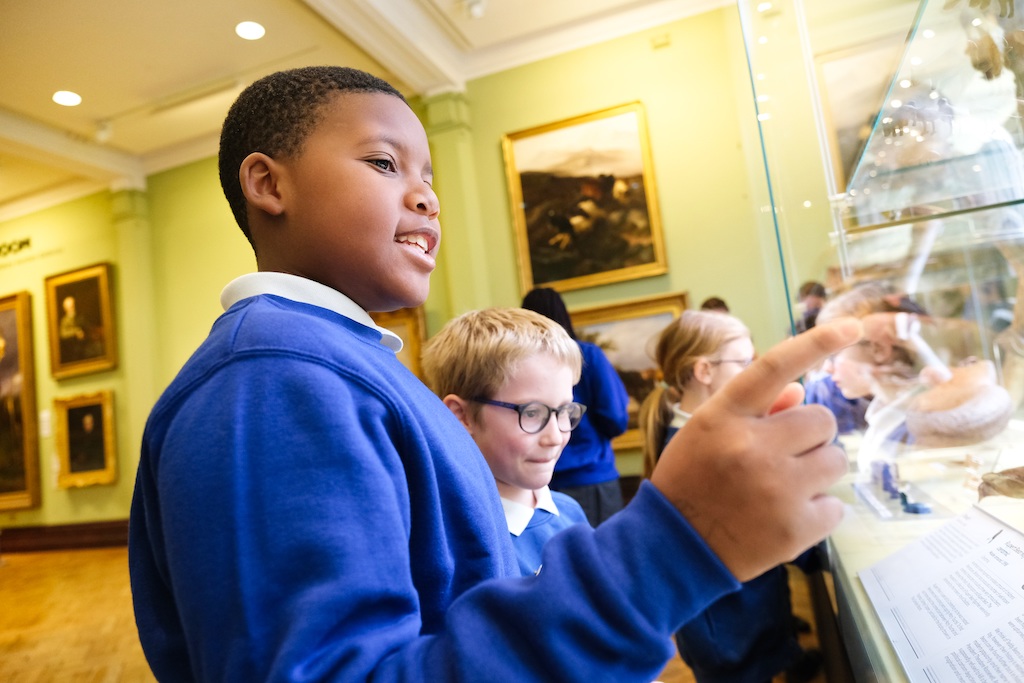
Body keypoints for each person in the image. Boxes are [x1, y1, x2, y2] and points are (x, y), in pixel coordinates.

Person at [128, 65, 859, 682]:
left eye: (429, 176)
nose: (427, 196)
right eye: (385, 163)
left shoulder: (329, 365)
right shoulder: (270, 380)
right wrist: (673, 545)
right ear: (268, 184)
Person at [639, 310, 822, 683]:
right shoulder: (700, 454)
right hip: (729, 632)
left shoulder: (699, 441)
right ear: (704, 371)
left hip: (745, 620)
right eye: (744, 363)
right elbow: (767, 527)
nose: (754, 373)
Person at [422, 307, 590, 576]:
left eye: (564, 411)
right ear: (461, 416)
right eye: (532, 413)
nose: (556, 437)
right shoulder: (449, 539)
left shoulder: (569, 513)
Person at [521, 286, 629, 525]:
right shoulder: (587, 356)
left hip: (540, 481)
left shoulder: (522, 364)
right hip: (592, 478)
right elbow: (616, 418)